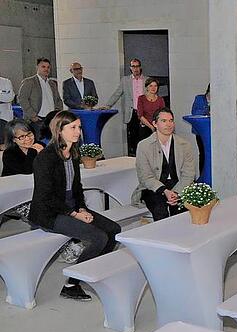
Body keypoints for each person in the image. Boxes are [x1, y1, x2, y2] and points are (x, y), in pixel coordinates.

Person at [28, 111, 121, 301]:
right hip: (50, 213)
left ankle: (90, 269)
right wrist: (74, 213)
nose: (78, 131)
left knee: (114, 229)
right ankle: (71, 284)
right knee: (98, 237)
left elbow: (77, 187)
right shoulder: (45, 158)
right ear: (59, 130)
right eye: (73, 127)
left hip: (70, 208)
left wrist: (82, 208)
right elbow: (46, 197)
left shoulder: (73, 153)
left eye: (79, 127)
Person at [134, 107, 196, 221]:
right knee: (160, 211)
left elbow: (189, 174)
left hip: (179, 185)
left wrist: (176, 192)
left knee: (181, 211)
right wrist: (165, 191)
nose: (168, 124)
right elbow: (145, 177)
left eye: (171, 120)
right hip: (154, 187)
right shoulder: (144, 146)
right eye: (163, 121)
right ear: (155, 124)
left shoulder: (185, 145)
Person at [104, 58, 145, 156]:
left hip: (144, 113)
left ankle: (144, 156)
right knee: (133, 138)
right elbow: (117, 93)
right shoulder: (125, 80)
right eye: (133, 66)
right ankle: (133, 157)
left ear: (140, 67)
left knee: (144, 137)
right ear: (130, 68)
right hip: (132, 113)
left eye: (137, 66)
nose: (135, 69)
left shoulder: (146, 80)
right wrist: (108, 105)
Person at [17, 58, 63, 139]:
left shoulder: (52, 83)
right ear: (37, 67)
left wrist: (57, 113)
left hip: (52, 119)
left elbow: (58, 100)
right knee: (38, 143)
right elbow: (22, 99)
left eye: (48, 67)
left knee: (53, 142)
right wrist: (33, 116)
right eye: (43, 67)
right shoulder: (29, 82)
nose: (46, 69)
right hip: (37, 120)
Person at [136, 77, 166, 142]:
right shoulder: (141, 98)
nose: (153, 88)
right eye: (151, 86)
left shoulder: (160, 100)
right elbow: (140, 115)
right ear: (147, 87)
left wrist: (156, 126)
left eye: (155, 86)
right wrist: (151, 127)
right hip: (145, 127)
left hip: (158, 127)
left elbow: (163, 114)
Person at [190, 83, 210, 176]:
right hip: (200, 132)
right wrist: (207, 111)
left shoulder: (219, 99)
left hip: (213, 132)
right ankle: (202, 175)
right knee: (202, 154)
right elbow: (194, 112)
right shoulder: (199, 98)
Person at [0, 73, 13, 147]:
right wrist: (2, 95)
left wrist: (5, 98)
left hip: (4, 118)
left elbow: (9, 97)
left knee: (5, 144)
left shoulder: (6, 82)